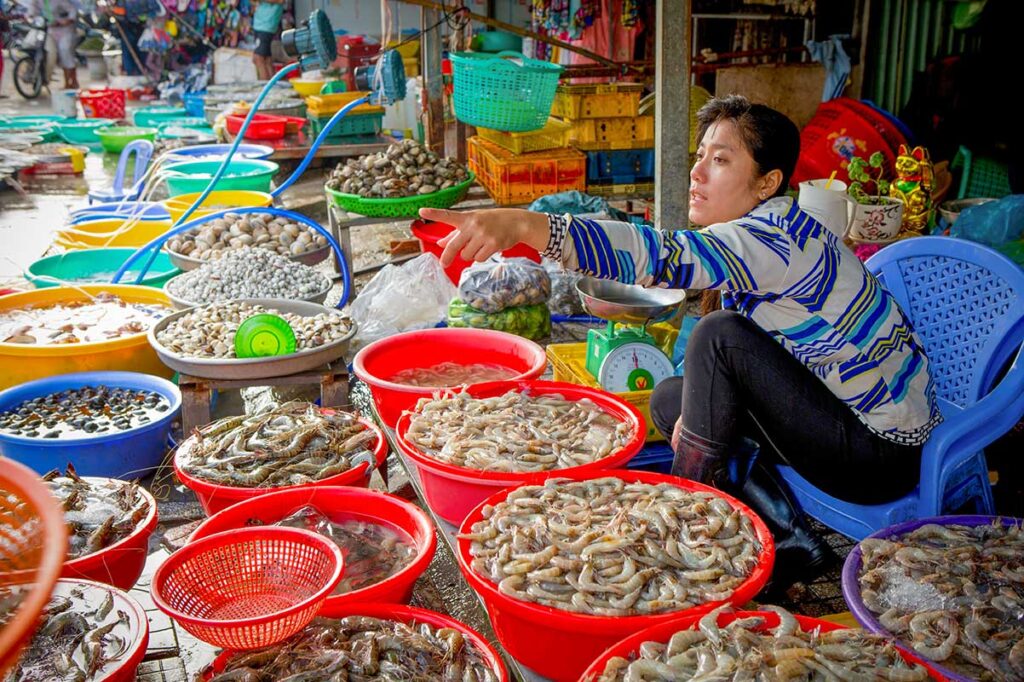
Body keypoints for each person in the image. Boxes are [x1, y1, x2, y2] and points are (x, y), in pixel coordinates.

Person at [418, 95, 942, 594]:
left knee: (718, 337)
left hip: (878, 453)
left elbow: (663, 254)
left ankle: (679, 525)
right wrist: (627, 305)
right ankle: (792, 537)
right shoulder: (767, 229)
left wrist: (523, 224)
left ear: (768, 183)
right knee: (673, 398)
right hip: (836, 416)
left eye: (721, 160)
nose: (697, 173)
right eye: (700, 157)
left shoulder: (774, 237)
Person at [34, 0, 79, 88]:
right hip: (50, 30)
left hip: (66, 30)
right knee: (55, 55)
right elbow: (33, 12)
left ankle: (69, 83)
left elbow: (72, 11)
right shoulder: (38, 2)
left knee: (65, 53)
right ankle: (72, 81)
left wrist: (66, 21)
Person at [250, 0, 283, 81]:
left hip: (266, 25)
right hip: (261, 24)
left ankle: (265, 88)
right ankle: (273, 87)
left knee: (258, 58)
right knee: (267, 59)